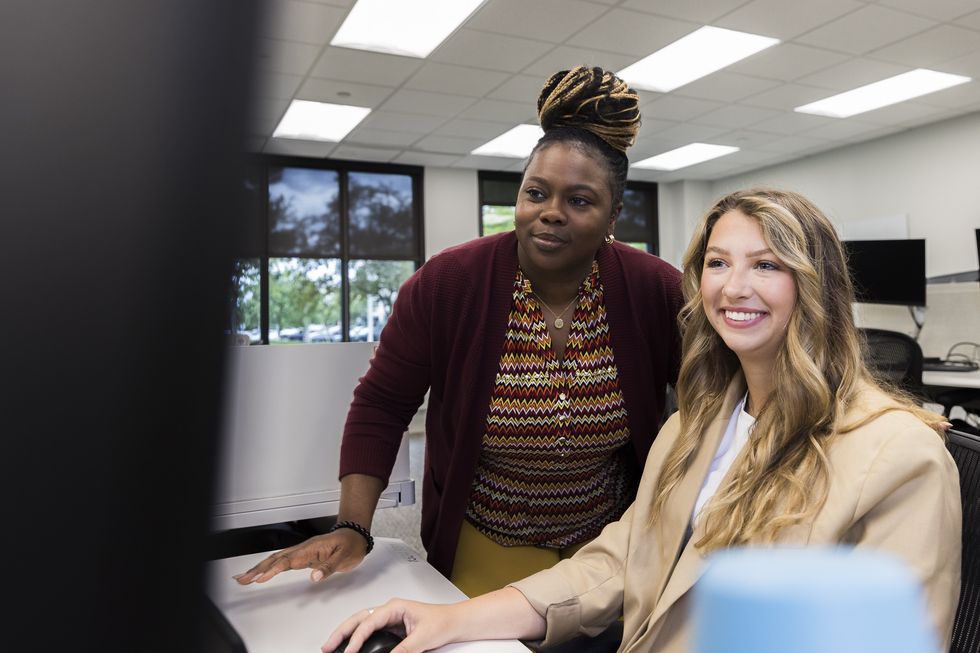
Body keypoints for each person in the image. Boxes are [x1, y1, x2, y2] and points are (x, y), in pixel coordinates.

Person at [321, 188, 962, 653]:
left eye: (766, 264)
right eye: (718, 262)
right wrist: (452, 620)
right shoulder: (695, 427)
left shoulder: (899, 457)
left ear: (814, 283)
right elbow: (622, 560)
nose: (734, 286)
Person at [234, 66, 684, 596]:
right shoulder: (450, 283)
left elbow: (716, 397)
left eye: (579, 201)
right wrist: (353, 525)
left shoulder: (655, 290)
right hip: (488, 530)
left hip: (610, 534)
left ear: (615, 214)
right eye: (535, 193)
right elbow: (382, 404)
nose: (550, 214)